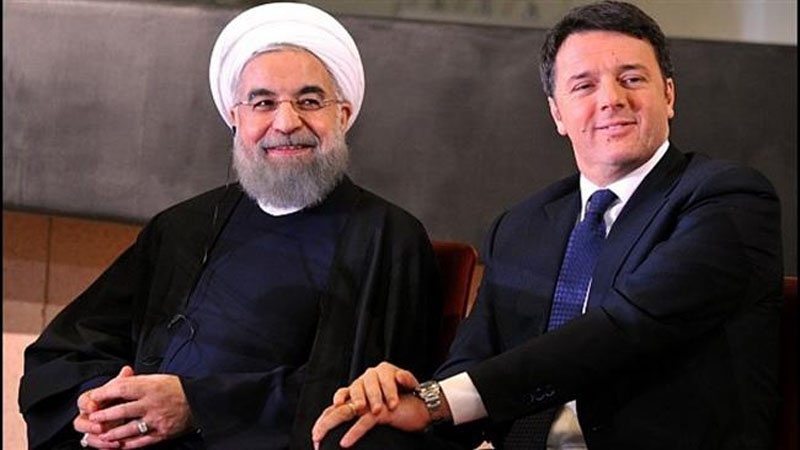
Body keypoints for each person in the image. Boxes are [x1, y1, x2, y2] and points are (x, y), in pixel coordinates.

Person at [312, 1, 784, 449]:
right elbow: (471, 364)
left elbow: (624, 328)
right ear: (558, 113)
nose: (611, 99)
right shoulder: (521, 226)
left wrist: (437, 402)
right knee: (360, 435)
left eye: (632, 78)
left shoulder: (728, 200)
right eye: (584, 86)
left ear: (668, 95)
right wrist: (406, 396)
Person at [18, 3, 443, 449]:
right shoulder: (181, 228)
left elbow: (371, 400)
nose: (286, 123)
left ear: (343, 115)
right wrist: (109, 408)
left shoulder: (386, 238)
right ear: (235, 118)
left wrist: (199, 406)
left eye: (309, 101)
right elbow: (68, 350)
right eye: (263, 103)